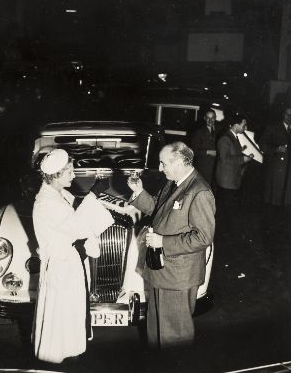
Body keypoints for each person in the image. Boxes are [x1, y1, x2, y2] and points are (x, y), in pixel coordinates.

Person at [127, 142, 215, 350]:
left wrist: (162, 242)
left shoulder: (199, 191)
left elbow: (203, 237)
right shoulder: (174, 182)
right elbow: (158, 210)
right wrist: (138, 192)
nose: (160, 168)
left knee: (174, 336)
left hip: (178, 277)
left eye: (163, 163)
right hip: (162, 271)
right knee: (156, 330)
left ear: (180, 162)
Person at [32, 149, 114, 364]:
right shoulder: (47, 202)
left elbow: (76, 214)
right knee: (60, 323)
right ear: (56, 174)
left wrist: (93, 197)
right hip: (61, 266)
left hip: (68, 264)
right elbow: (78, 226)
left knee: (69, 319)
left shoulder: (59, 195)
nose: (74, 174)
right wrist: (94, 193)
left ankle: (69, 358)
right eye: (69, 171)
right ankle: (57, 363)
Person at [215, 115, 254, 243]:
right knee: (228, 211)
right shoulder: (225, 139)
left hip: (232, 181)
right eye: (244, 125)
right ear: (235, 125)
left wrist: (243, 154)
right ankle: (228, 238)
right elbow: (225, 159)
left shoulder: (233, 138)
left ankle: (228, 236)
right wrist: (244, 159)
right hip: (227, 182)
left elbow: (233, 154)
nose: (245, 127)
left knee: (229, 210)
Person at [259, 107, 291, 207]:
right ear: (283, 114)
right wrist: (276, 149)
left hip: (289, 173)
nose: (290, 117)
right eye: (287, 114)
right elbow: (262, 144)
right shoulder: (273, 127)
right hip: (276, 172)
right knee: (274, 202)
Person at [190, 109, 219, 187]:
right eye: (208, 118)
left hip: (216, 169)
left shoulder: (219, 131)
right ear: (204, 118)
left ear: (215, 118)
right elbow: (193, 151)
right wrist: (208, 152)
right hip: (203, 169)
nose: (210, 120)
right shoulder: (198, 132)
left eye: (212, 117)